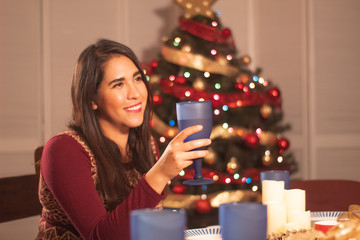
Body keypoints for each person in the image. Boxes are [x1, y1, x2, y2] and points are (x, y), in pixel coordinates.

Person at [36, 39, 211, 240]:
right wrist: (160, 174)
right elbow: (101, 237)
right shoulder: (64, 149)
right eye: (118, 84)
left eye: (137, 79)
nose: (135, 93)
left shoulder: (146, 144)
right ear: (92, 99)